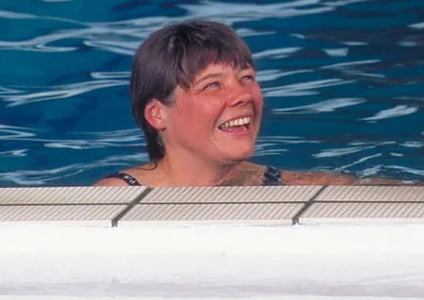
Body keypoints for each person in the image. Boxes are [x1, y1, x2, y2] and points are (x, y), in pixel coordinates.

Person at [95, 19, 383, 186]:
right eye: (212, 85)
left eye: (246, 78)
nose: (243, 95)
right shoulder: (115, 198)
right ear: (157, 114)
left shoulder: (286, 185)